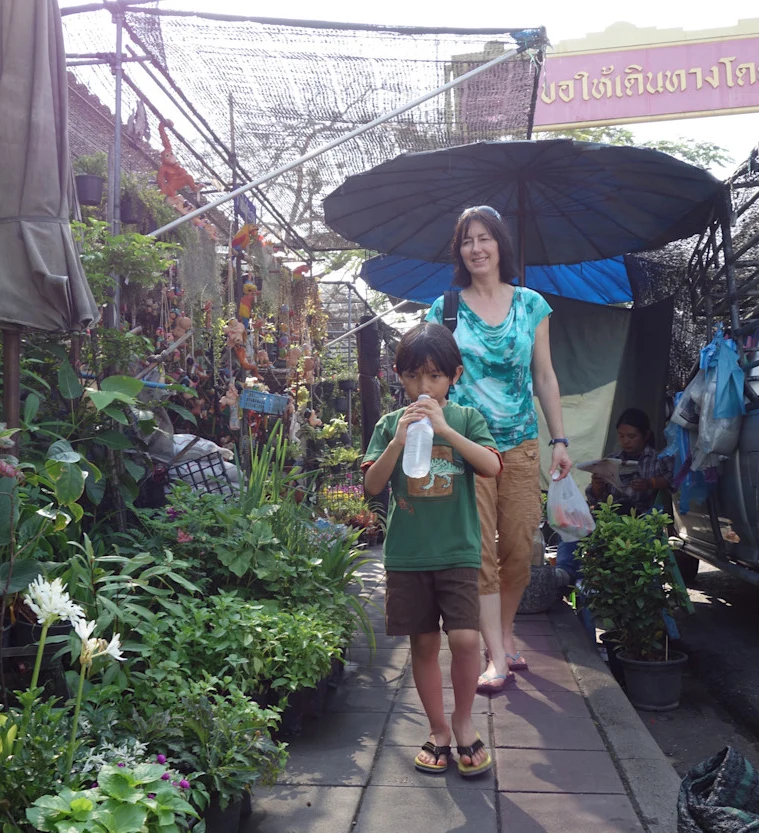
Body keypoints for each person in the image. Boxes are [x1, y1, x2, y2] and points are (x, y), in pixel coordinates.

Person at [426, 205, 571, 693]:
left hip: (523, 444)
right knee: (477, 555)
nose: (476, 248)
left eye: (485, 238)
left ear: (499, 245)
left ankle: (506, 631)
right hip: (467, 447)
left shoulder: (531, 304)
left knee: (519, 549)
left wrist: (561, 439)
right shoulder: (444, 308)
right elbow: (431, 380)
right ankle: (495, 655)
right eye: (467, 241)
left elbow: (545, 376)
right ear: (459, 251)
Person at [363, 322, 502, 776]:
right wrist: (399, 440)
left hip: (459, 551)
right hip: (408, 556)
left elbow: (491, 466)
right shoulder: (389, 425)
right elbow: (371, 484)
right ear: (399, 377)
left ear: (453, 376)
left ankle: (464, 721)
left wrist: (446, 428)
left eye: (434, 376)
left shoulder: (466, 419)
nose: (424, 387)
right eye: (413, 376)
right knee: (422, 645)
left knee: (465, 639)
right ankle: (439, 730)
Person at [556, 407, 675, 587]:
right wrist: (597, 487)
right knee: (573, 522)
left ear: (645, 435)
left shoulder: (657, 460)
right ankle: (564, 573)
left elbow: (673, 480)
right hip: (611, 514)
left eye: (631, 436)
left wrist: (650, 483)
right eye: (621, 436)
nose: (625, 441)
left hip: (641, 515)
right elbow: (596, 500)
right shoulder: (612, 459)